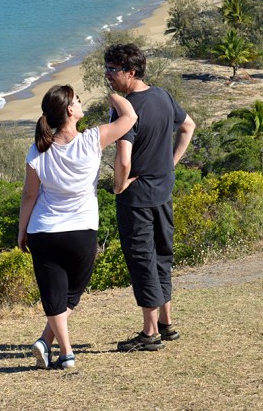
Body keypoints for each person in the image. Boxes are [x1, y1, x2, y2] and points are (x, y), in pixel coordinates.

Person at [18, 83, 138, 370]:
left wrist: (22, 231)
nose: (82, 102)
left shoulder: (38, 149)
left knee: (54, 294)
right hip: (82, 230)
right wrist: (114, 92)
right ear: (70, 111)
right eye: (78, 100)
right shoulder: (91, 139)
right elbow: (130, 118)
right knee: (71, 294)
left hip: (43, 231)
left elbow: (29, 195)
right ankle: (67, 352)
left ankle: (47, 342)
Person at [105, 42, 196, 352]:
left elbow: (124, 158)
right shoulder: (162, 96)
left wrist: (118, 185)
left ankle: (149, 333)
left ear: (131, 72)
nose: (108, 75)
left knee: (143, 259)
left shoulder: (125, 108)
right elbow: (188, 126)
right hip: (163, 191)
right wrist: (169, 164)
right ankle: (166, 324)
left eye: (113, 70)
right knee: (162, 256)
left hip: (137, 197)